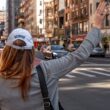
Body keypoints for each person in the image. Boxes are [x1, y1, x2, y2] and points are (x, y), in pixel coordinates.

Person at [0, 1, 107, 110]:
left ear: (7, 51)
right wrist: (96, 26)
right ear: (31, 51)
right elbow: (79, 55)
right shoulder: (47, 70)